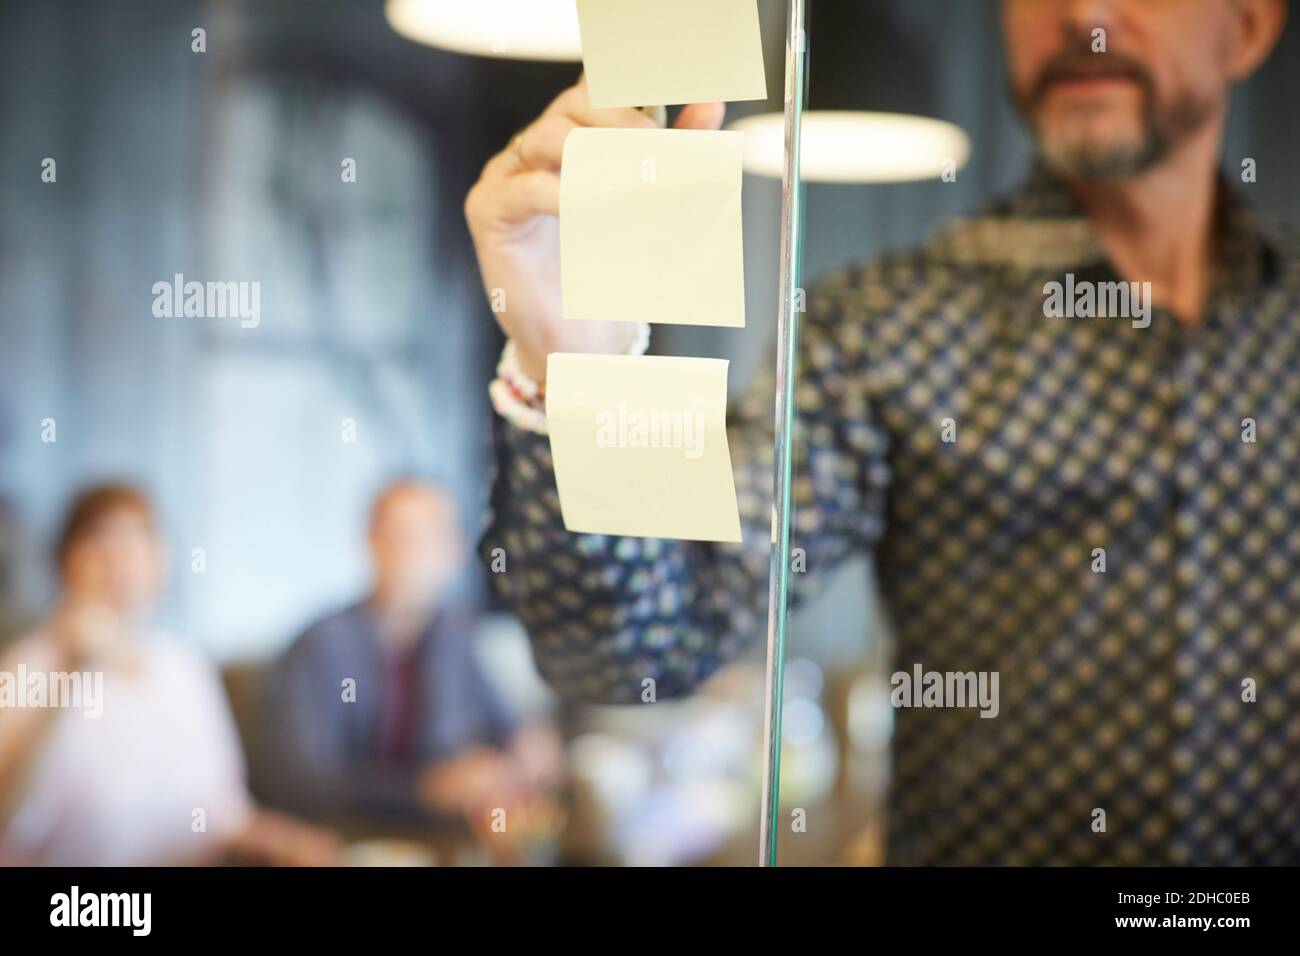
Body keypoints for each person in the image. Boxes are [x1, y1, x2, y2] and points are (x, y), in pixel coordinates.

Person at [466, 0, 1300, 864]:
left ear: (1247, 25)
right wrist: (577, 369)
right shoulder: (888, 328)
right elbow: (639, 646)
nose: (1082, 13)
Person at [0, 483, 337, 866]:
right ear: (66, 560)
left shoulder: (183, 667)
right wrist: (69, 669)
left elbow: (222, 813)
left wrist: (284, 841)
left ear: (161, 561)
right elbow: (8, 813)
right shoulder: (27, 667)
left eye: (138, 540)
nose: (120, 562)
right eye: (101, 540)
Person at [262, 479, 563, 838]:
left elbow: (507, 726)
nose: (414, 555)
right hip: (347, 839)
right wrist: (423, 790)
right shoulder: (322, 645)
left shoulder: (453, 636)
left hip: (439, 839)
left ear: (454, 551)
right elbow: (299, 781)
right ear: (371, 542)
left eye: (429, 539)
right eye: (401, 537)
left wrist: (526, 746)